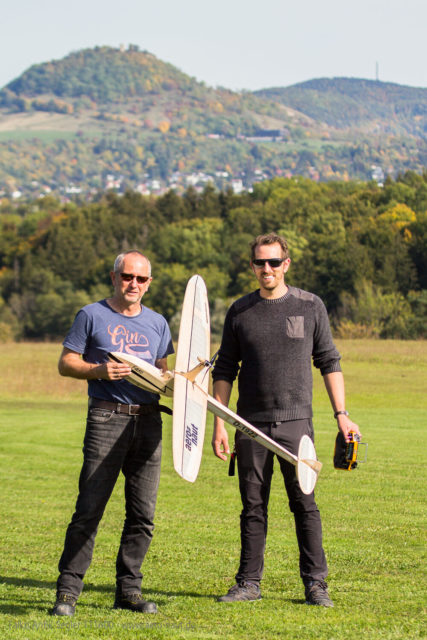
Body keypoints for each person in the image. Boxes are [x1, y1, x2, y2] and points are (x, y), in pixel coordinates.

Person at [211, 233, 360, 607]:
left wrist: (342, 415)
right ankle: (248, 584)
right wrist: (219, 423)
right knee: (253, 506)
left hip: (297, 423)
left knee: (304, 505)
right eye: (260, 263)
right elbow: (225, 369)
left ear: (286, 264)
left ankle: (316, 585)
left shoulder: (310, 306)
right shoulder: (239, 311)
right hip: (249, 424)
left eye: (274, 262)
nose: (267, 269)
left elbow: (329, 361)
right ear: (252, 266)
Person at [51, 250, 174, 617]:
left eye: (141, 278)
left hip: (149, 421)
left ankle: (129, 592)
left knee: (142, 514)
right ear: (114, 277)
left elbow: (163, 373)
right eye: (127, 277)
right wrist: (99, 371)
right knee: (89, 509)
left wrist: (170, 382)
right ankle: (67, 593)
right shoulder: (91, 314)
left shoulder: (158, 323)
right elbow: (66, 363)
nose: (133, 284)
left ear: (149, 283)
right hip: (107, 418)